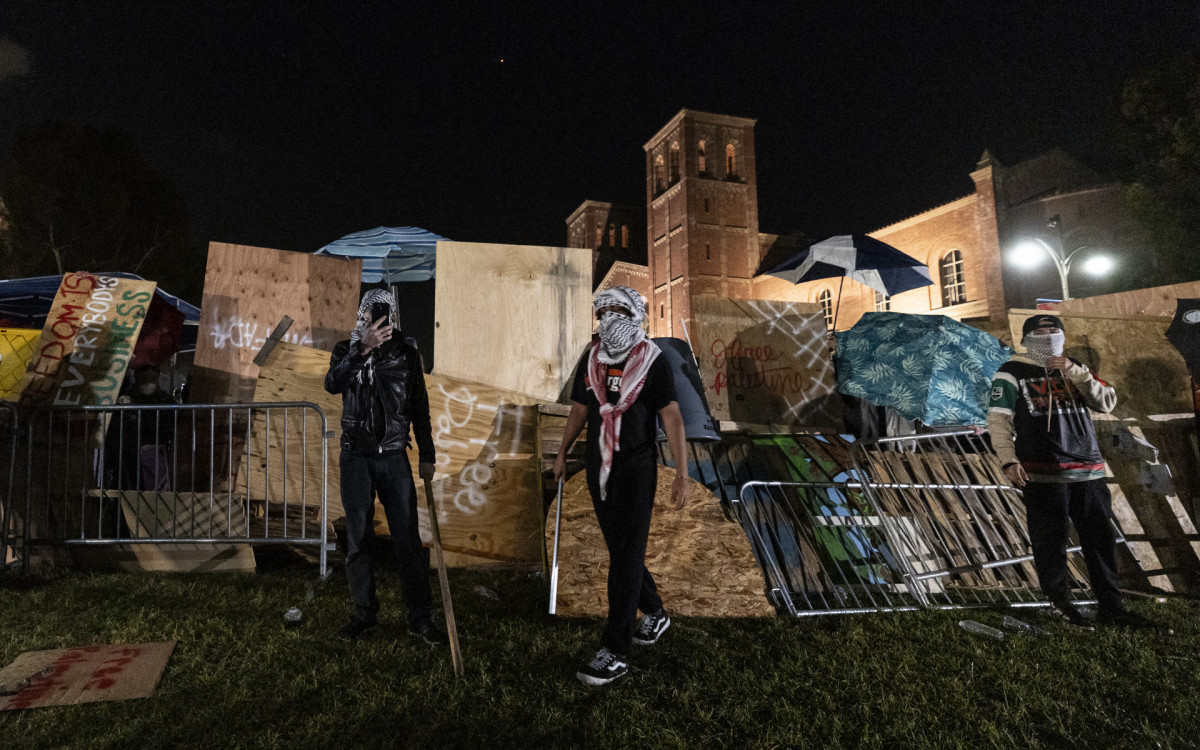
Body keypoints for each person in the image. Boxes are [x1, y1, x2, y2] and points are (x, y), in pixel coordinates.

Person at [553, 286, 689, 685]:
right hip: (599, 466)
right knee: (622, 551)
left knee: (625, 560)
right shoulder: (592, 357)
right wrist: (562, 453)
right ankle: (656, 612)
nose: (609, 317)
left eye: (617, 310)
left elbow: (672, 415)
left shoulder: (652, 359)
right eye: (604, 311)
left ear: (633, 314)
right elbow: (581, 408)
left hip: (636, 469)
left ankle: (615, 651)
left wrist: (681, 473)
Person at [987, 313, 1146, 628]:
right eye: (1041, 331)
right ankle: (1060, 604)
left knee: (1100, 540)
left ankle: (1112, 607)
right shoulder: (1011, 372)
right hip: (1041, 471)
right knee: (1050, 542)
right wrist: (1008, 459)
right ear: (1027, 338)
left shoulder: (1075, 367)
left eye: (1054, 329)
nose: (1048, 335)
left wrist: (1077, 373)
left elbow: (1106, 403)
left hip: (1089, 469)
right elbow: (998, 419)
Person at [324, 289, 447, 645]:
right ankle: (363, 614)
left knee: (407, 541)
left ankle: (420, 619)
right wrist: (361, 349)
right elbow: (332, 384)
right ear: (361, 316)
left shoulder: (406, 353)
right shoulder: (345, 350)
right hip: (356, 458)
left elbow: (419, 407)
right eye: (370, 314)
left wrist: (427, 454)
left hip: (394, 457)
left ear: (392, 317)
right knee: (359, 539)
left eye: (383, 314)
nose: (376, 320)